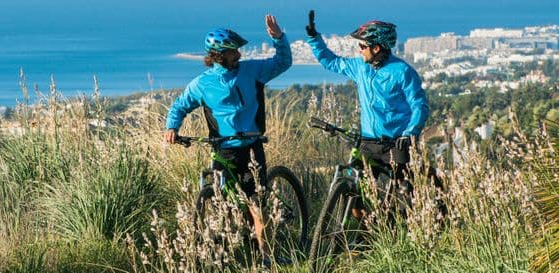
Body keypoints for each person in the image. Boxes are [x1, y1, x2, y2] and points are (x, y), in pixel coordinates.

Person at [164, 14, 291, 261]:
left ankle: (265, 258)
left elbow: (282, 62)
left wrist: (278, 38)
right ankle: (219, 253)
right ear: (219, 55)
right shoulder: (202, 84)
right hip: (222, 150)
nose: (239, 55)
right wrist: (172, 127)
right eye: (233, 51)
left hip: (251, 147)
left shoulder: (252, 70)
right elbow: (180, 105)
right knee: (221, 199)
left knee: (256, 206)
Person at [305, 11, 444, 219]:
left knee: (402, 197)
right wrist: (314, 37)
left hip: (396, 143)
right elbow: (331, 62)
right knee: (354, 191)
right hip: (367, 143)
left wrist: (410, 133)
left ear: (376, 48)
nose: (358, 50)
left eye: (362, 46)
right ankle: (366, 233)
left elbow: (419, 105)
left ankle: (413, 223)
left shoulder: (402, 71)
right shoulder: (360, 67)